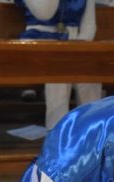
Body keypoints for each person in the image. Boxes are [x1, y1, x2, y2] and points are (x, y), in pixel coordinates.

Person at [17, 0, 102, 130]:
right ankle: (57, 129)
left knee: (90, 73)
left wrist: (79, 49)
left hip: (74, 42)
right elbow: (44, 13)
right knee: (59, 71)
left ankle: (91, 128)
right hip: (39, 40)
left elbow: (89, 26)